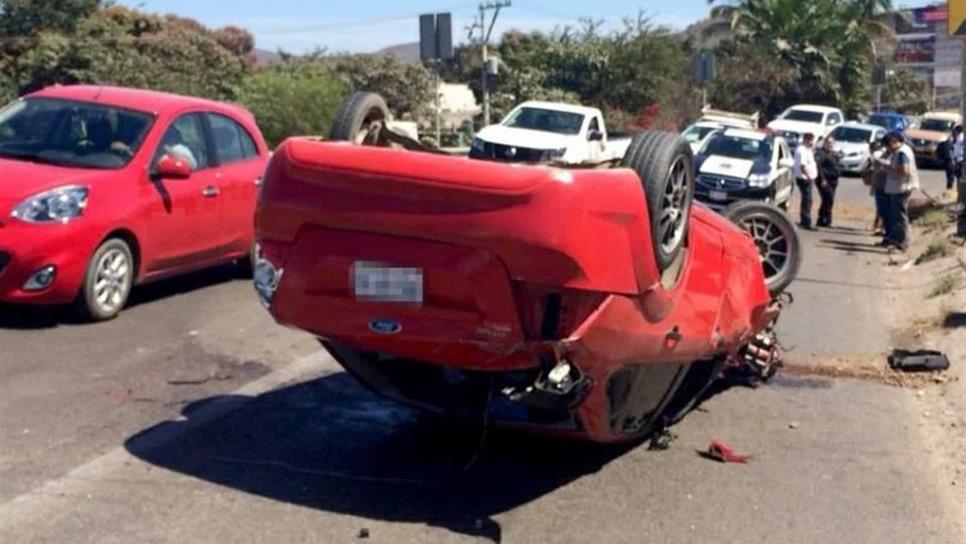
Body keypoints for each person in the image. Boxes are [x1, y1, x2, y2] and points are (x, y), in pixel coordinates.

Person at [880, 131, 919, 251]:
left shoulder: (902, 153)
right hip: (899, 187)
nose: (887, 149)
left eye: (888, 146)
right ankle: (897, 240)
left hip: (902, 187)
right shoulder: (901, 150)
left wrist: (888, 169)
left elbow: (904, 171)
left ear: (893, 142)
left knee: (900, 216)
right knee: (896, 216)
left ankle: (902, 242)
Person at [792, 132, 818, 230]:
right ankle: (806, 221)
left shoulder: (808, 150)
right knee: (807, 200)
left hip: (808, 178)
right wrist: (808, 176)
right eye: (810, 140)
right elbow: (802, 166)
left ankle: (805, 220)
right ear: (806, 139)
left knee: (807, 200)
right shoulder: (801, 150)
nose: (812, 142)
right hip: (804, 178)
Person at [815, 135, 841, 227]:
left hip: (833, 181)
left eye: (832, 143)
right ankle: (825, 219)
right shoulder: (822, 154)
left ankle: (823, 219)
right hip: (825, 180)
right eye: (828, 143)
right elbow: (819, 168)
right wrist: (822, 179)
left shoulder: (833, 154)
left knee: (828, 200)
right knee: (828, 199)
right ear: (825, 143)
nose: (830, 145)